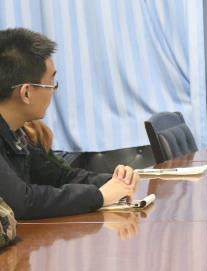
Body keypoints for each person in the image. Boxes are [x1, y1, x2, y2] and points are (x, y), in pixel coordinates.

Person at [0, 28, 139, 220]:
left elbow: (59, 177)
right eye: (51, 83)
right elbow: (23, 202)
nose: (53, 90)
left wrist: (114, 181)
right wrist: (99, 196)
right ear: (26, 93)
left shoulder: (14, 132)